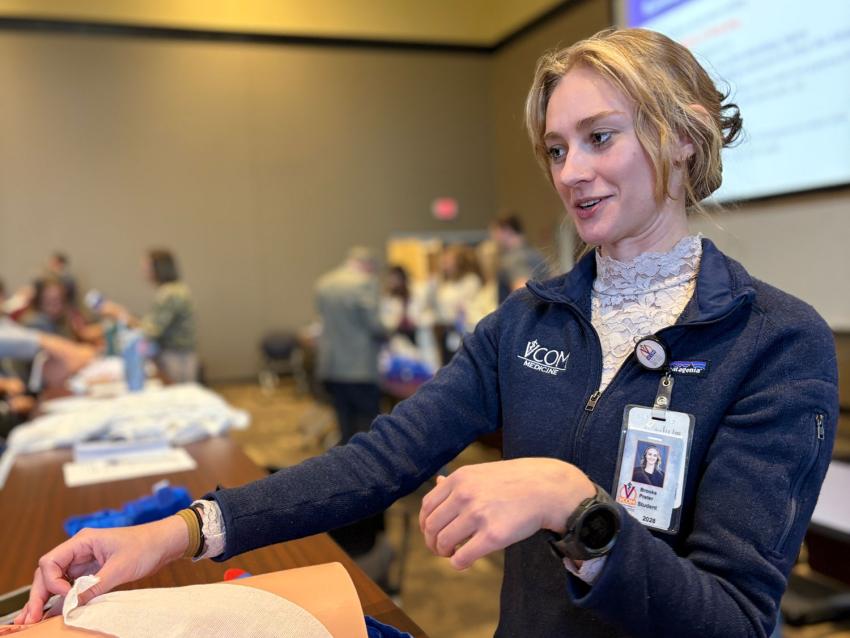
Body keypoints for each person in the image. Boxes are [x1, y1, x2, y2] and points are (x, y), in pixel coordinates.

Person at [17, 28, 837, 638]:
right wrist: (174, 531)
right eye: (555, 148)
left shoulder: (773, 342)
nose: (570, 172)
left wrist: (570, 503)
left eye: (600, 138)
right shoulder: (529, 319)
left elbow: (732, 620)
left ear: (683, 135)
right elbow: (379, 460)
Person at [100, 249, 198, 383]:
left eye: (147, 267)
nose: (143, 272)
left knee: (180, 397)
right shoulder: (174, 289)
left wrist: (120, 314)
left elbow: (150, 330)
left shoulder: (170, 293)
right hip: (177, 355)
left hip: (176, 357)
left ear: (159, 268)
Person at [490, 213, 549, 302]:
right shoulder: (536, 253)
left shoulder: (514, 258)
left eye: (495, 231)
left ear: (507, 230)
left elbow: (523, 294)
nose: (493, 236)